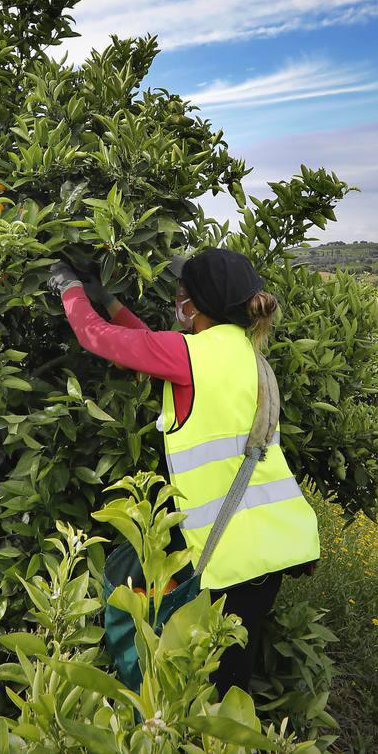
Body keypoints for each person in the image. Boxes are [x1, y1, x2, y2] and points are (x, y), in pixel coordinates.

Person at [47, 248, 320, 693]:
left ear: (199, 304)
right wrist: (111, 300)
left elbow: (95, 337)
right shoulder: (244, 354)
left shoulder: (190, 355)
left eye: (181, 290)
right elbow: (150, 343)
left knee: (214, 692)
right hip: (272, 545)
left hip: (233, 558)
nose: (177, 297)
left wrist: (70, 289)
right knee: (228, 674)